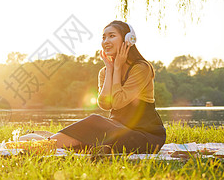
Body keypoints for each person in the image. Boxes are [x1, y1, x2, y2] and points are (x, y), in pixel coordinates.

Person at [19, 20, 166, 154]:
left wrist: (118, 67)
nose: (106, 41)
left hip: (145, 137)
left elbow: (118, 102)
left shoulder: (141, 68)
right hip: (117, 131)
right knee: (86, 141)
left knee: (95, 121)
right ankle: (49, 142)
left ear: (128, 40)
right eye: (103, 37)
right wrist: (110, 70)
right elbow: (105, 104)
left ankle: (46, 144)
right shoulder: (105, 71)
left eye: (111, 36)